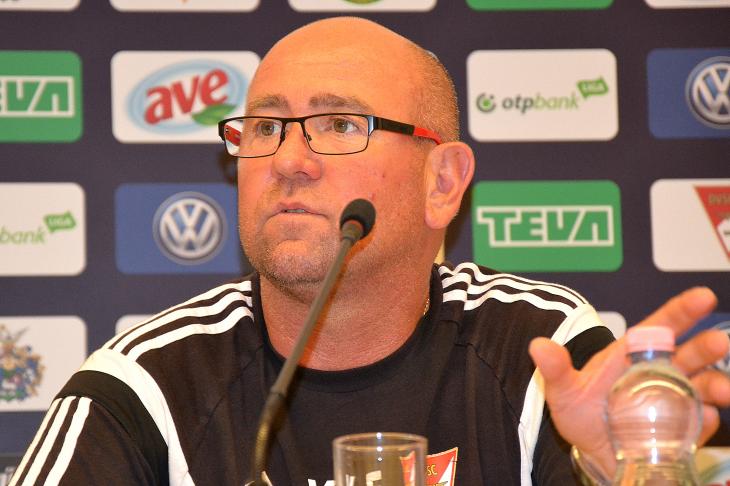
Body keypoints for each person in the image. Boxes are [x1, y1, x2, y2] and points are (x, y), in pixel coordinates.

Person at [9, 17, 730, 486]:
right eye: (264, 127)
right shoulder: (144, 387)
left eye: (340, 124)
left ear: (442, 183)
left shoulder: (543, 354)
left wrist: (620, 471)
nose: (288, 161)